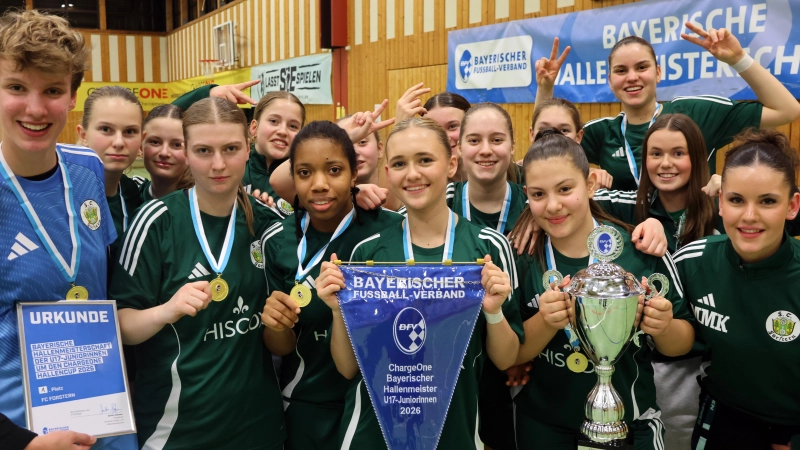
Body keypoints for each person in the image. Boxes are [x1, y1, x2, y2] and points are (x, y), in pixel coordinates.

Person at [315, 117, 523, 449]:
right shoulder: (368, 253)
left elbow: (505, 359)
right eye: (399, 163)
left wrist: (495, 313)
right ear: (387, 172)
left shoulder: (488, 248)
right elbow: (347, 367)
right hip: (373, 434)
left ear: (452, 164)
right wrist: (338, 310)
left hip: (454, 433)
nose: (412, 174)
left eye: (425, 160)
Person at [109, 98, 286, 449]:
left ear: (248, 148)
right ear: (186, 152)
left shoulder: (270, 227)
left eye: (231, 149)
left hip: (258, 429)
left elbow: (281, 340)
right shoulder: (156, 221)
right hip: (176, 430)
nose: (218, 164)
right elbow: (121, 327)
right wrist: (166, 311)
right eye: (204, 150)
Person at [0, 9, 136, 450]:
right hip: (26, 434)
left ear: (73, 96)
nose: (36, 108)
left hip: (107, 421)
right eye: (16, 87)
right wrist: (19, 442)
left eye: (53, 90)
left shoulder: (88, 169)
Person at [512, 131, 694, 449]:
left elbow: (682, 345)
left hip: (629, 424)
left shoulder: (640, 251)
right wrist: (544, 320)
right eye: (539, 194)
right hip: (544, 424)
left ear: (591, 185)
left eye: (565, 189)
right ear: (527, 194)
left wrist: (663, 327)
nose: (553, 205)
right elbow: (510, 354)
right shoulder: (522, 256)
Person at [260, 120, 403, 450]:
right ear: (293, 178)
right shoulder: (278, 240)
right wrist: (277, 325)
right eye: (305, 173)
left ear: (355, 174)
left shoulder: (393, 229)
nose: (319, 184)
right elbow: (280, 346)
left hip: (382, 404)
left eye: (334, 170)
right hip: (306, 406)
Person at [537, 27, 800, 191]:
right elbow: (544, 152)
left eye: (642, 67)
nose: (632, 77)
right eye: (621, 70)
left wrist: (738, 59)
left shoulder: (695, 114)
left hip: (692, 243)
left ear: (658, 73)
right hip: (630, 253)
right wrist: (545, 89)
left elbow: (786, 110)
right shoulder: (600, 132)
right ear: (610, 81)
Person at [673, 129, 800, 450]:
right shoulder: (691, 262)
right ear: (720, 203)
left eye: (768, 201)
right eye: (736, 200)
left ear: (792, 205)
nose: (749, 216)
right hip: (722, 417)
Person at [77, 86, 143, 250]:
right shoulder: (61, 192)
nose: (119, 142)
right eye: (106, 129)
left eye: (130, 131)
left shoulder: (134, 192)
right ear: (83, 135)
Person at [133, 104, 192, 203]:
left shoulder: (201, 204)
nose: (164, 153)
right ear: (140, 147)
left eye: (177, 145)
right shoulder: (130, 192)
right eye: (155, 142)